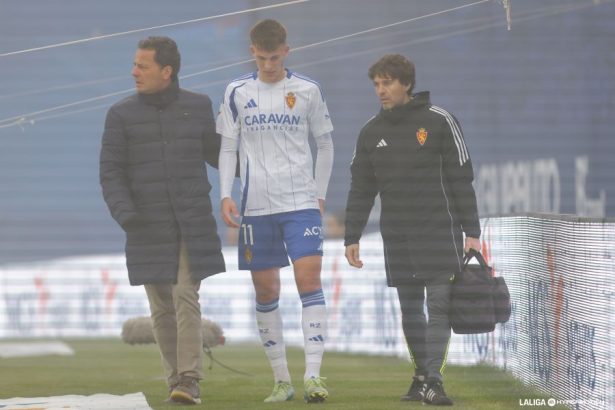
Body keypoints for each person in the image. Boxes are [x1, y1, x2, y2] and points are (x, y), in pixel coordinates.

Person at [344, 54, 481, 406]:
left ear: (406, 83)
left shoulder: (440, 121)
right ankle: (421, 375)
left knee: (438, 305)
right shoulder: (370, 133)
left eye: (387, 82)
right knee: (409, 310)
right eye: (376, 84)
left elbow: (461, 179)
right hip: (397, 235)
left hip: (438, 231)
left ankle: (434, 380)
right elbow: (361, 189)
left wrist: (472, 231)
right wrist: (352, 236)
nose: (381, 90)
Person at [100, 36, 226, 405]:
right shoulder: (120, 114)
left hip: (191, 221)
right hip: (144, 224)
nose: (134, 71)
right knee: (161, 306)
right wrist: (126, 215)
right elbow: (111, 173)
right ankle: (176, 379)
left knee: (185, 293)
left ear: (166, 71)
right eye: (135, 64)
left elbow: (221, 157)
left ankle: (189, 378)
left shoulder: (199, 106)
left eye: (143, 65)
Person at [216, 19, 334, 404]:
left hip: (300, 204)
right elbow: (228, 148)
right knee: (266, 290)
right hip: (256, 206)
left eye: (275, 56)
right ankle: (281, 380)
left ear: (287, 50)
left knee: (309, 281)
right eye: (262, 57)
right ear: (253, 52)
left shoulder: (308, 90)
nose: (269, 64)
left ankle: (314, 377)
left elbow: (325, 144)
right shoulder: (236, 91)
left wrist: (319, 194)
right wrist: (225, 194)